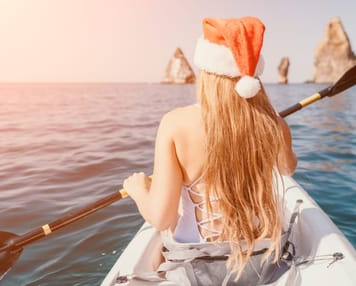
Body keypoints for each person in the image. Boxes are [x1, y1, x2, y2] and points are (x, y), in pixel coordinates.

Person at [123, 16, 297, 285]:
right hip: (260, 258)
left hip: (196, 262)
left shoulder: (175, 123)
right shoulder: (272, 123)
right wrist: (277, 128)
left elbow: (161, 217)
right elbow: (287, 168)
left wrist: (138, 190)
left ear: (207, 73)